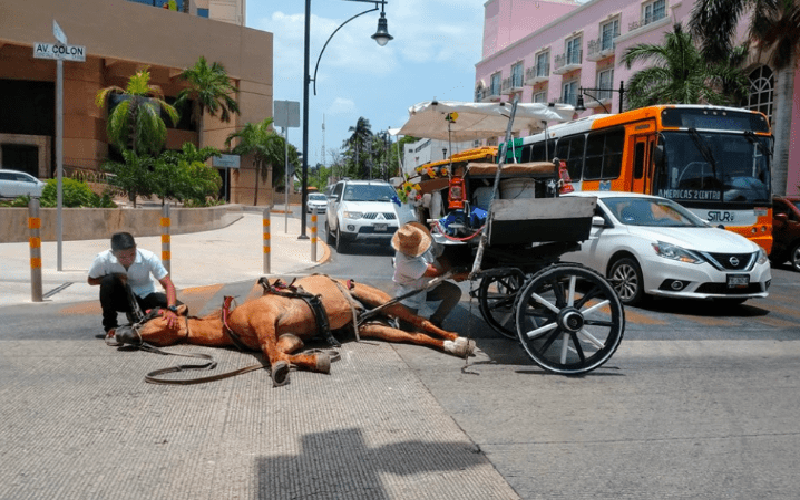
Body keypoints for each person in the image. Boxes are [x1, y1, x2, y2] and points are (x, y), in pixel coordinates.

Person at [88, 231, 180, 345]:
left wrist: (171, 309)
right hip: (122, 300)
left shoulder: (148, 257)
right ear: (113, 253)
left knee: (179, 307)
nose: (128, 260)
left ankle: (142, 316)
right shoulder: (103, 259)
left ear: (136, 247)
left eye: (132, 254)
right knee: (108, 280)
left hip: (146, 297)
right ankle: (111, 327)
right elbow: (91, 280)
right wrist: (116, 276)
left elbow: (168, 284)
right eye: (122, 257)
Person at [391, 221, 465, 329]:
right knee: (408, 330)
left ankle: (435, 321)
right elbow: (433, 272)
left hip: (429, 286)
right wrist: (453, 274)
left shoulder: (427, 241)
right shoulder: (404, 261)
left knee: (454, 292)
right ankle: (399, 318)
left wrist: (449, 269)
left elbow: (441, 256)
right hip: (410, 295)